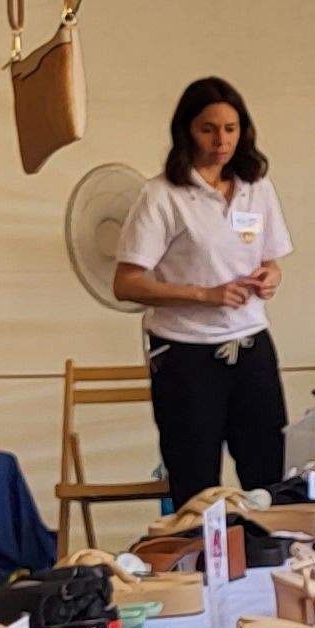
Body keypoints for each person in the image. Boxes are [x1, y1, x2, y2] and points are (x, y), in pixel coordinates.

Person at [115, 77, 294, 506]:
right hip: (185, 353)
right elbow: (125, 283)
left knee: (268, 473)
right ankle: (198, 565)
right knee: (195, 480)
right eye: (208, 129)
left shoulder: (257, 188)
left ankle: (270, 564)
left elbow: (271, 260)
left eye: (231, 129)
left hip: (251, 343)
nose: (221, 141)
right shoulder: (161, 196)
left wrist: (270, 277)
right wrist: (203, 295)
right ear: (187, 131)